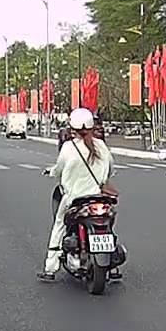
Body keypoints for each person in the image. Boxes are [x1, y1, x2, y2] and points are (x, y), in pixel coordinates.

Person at [40, 108, 115, 282]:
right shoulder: (101, 145)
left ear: (72, 127)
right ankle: (112, 263)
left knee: (59, 225)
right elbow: (111, 167)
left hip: (74, 199)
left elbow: (59, 169)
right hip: (99, 197)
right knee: (108, 223)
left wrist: (52, 172)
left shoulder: (68, 147)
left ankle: (50, 268)